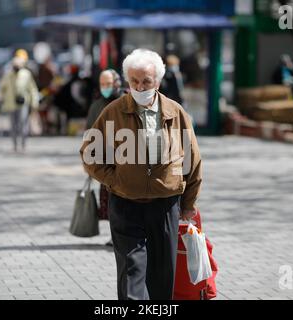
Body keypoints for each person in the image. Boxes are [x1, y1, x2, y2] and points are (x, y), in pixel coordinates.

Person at [80, 49, 202, 300]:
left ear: (157, 80)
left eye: (146, 81)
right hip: (125, 204)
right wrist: (115, 180)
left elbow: (193, 160)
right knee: (132, 272)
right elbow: (89, 153)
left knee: (162, 275)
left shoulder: (175, 112)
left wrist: (189, 203)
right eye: (134, 80)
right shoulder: (113, 111)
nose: (140, 86)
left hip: (166, 205)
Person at [85, 69, 123, 247]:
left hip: (126, 160)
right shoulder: (96, 105)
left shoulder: (126, 101)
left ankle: (126, 233)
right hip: (105, 161)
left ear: (117, 83)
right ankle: (114, 235)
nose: (105, 87)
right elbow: (89, 133)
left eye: (108, 84)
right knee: (109, 201)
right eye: (102, 84)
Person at [0, 54, 39, 152]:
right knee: (13, 125)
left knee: (23, 124)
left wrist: (34, 102)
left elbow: (32, 89)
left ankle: (23, 144)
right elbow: (2, 88)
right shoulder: (8, 75)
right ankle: (15, 145)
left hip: (23, 103)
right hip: (10, 103)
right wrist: (1, 98)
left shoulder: (26, 74)